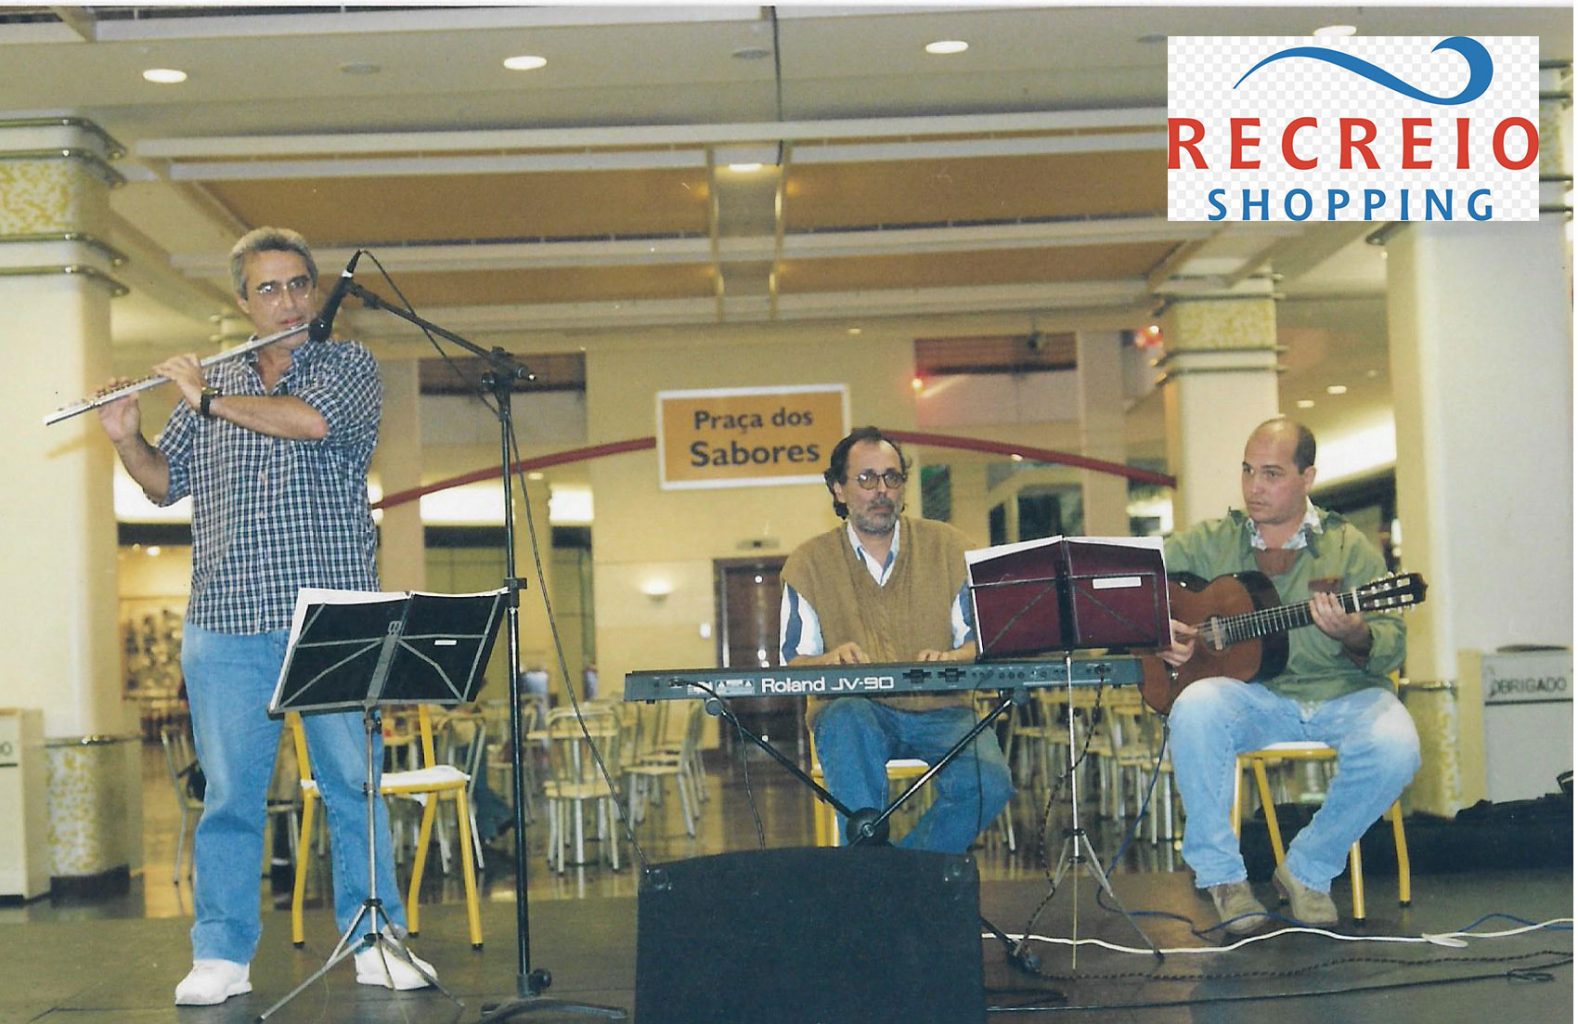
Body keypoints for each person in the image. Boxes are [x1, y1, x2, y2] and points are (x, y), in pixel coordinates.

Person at [96, 227, 436, 1005]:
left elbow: (308, 422)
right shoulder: (213, 385)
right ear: (242, 302)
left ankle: (372, 937)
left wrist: (205, 398)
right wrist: (127, 438)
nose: (286, 301)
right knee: (230, 796)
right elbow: (161, 482)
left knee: (353, 781)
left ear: (314, 291)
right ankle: (220, 955)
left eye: (296, 285)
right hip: (225, 619)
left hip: (331, 615)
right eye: (268, 289)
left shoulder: (345, 365)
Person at [1160, 418, 1419, 935]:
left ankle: (1307, 869)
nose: (1254, 486)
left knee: (1399, 745)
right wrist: (1157, 632)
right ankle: (1223, 879)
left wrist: (1356, 634)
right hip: (1258, 698)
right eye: (1248, 471)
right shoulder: (1210, 542)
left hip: (1342, 695)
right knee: (1195, 706)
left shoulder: (1350, 548)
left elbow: (1393, 641)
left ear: (1308, 477)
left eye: (1272, 474)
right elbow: (1135, 588)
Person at [779, 426, 1013, 853]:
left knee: (990, 784)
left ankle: (899, 875)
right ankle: (877, 873)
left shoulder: (951, 548)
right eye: (866, 479)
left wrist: (952, 657)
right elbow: (794, 662)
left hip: (943, 709)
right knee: (847, 722)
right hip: (855, 710)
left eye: (892, 477)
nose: (881, 490)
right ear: (838, 489)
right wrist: (828, 660)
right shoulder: (808, 563)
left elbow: (980, 642)